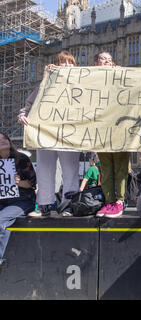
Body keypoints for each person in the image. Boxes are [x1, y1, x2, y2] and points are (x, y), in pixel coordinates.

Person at [18, 51, 80, 217]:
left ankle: (68, 205)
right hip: (45, 132)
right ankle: (44, 205)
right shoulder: (44, 84)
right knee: (45, 169)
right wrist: (23, 115)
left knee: (70, 171)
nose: (66, 65)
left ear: (75, 66)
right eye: (62, 62)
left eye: (69, 62)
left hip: (69, 133)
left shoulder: (81, 84)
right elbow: (30, 104)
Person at [94, 52, 130, 218]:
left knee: (121, 166)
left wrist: (122, 74)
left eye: (109, 59)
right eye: (103, 58)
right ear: (96, 63)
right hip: (102, 128)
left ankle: (120, 201)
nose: (107, 61)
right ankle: (108, 201)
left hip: (119, 127)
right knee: (106, 168)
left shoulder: (120, 75)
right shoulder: (90, 77)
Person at [0, 132, 36, 265]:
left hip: (22, 201)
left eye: (5, 138)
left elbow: (32, 184)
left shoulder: (21, 159)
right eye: (0, 140)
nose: (3, 140)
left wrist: (18, 182)